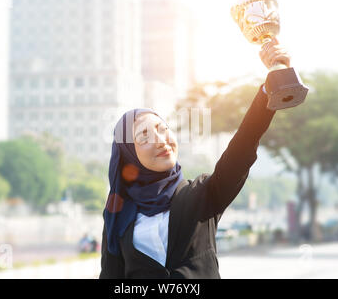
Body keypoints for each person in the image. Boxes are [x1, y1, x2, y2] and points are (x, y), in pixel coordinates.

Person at [100, 38, 291, 279]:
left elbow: (243, 146)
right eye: (144, 136)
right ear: (129, 157)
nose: (160, 140)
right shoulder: (119, 214)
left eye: (162, 128)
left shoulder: (203, 194)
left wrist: (272, 82)